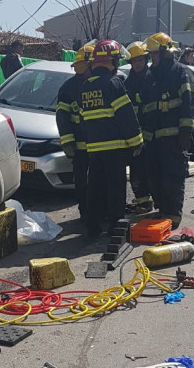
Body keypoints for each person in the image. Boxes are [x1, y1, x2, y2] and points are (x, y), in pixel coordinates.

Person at [77, 39, 143, 237]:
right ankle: (116, 225)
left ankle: (93, 226)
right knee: (116, 187)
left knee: (95, 187)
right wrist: (136, 141)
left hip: (94, 149)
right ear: (112, 62)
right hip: (115, 149)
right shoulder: (114, 83)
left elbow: (82, 119)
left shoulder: (85, 88)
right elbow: (126, 116)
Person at [140, 32, 194, 227]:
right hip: (153, 140)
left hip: (174, 139)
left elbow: (189, 104)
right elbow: (146, 108)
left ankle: (173, 217)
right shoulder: (150, 76)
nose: (151, 58)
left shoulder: (181, 72)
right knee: (154, 177)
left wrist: (185, 132)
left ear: (165, 53)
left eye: (153, 54)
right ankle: (163, 212)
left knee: (172, 178)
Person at [55, 45, 93, 220]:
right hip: (80, 145)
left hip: (99, 145)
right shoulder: (69, 88)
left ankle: (97, 211)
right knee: (81, 181)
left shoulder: (100, 83)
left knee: (99, 180)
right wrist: (67, 141)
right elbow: (62, 117)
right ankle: (85, 211)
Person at [123, 41, 154, 214]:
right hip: (133, 135)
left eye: (140, 60)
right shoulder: (128, 83)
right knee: (136, 170)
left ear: (145, 60)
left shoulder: (151, 80)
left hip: (150, 134)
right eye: (134, 61)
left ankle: (149, 200)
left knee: (149, 169)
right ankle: (143, 202)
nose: (137, 64)